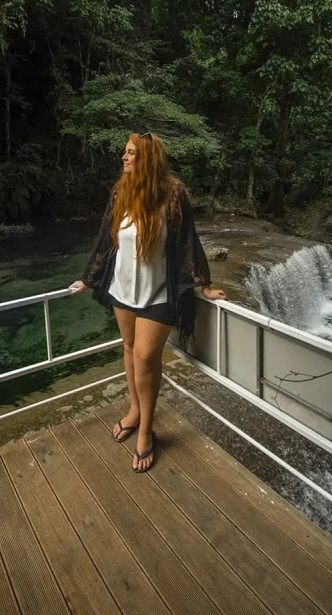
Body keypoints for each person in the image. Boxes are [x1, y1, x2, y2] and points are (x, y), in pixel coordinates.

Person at [69, 132, 227, 473]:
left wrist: (203, 286)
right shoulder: (121, 191)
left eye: (130, 153)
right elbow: (106, 238)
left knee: (145, 356)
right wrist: (89, 278)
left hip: (160, 293)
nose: (124, 158)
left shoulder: (173, 194)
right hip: (123, 289)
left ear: (147, 158)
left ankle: (145, 430)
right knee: (129, 348)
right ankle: (134, 410)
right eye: (125, 153)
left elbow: (187, 241)